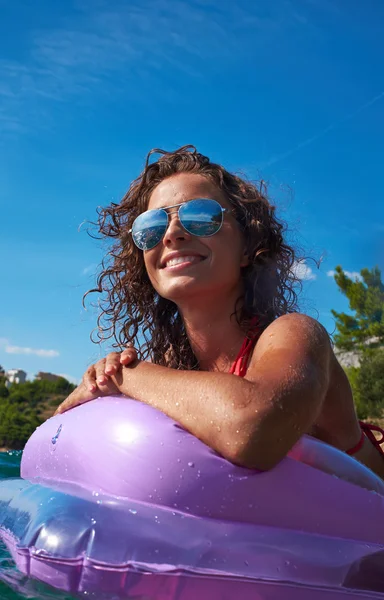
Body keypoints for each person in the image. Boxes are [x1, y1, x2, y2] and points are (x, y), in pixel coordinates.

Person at [55, 146, 384, 480]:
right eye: (150, 227)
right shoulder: (173, 369)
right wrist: (97, 388)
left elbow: (251, 427)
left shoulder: (295, 335)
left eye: (200, 216)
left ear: (247, 246)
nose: (171, 234)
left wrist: (128, 376)